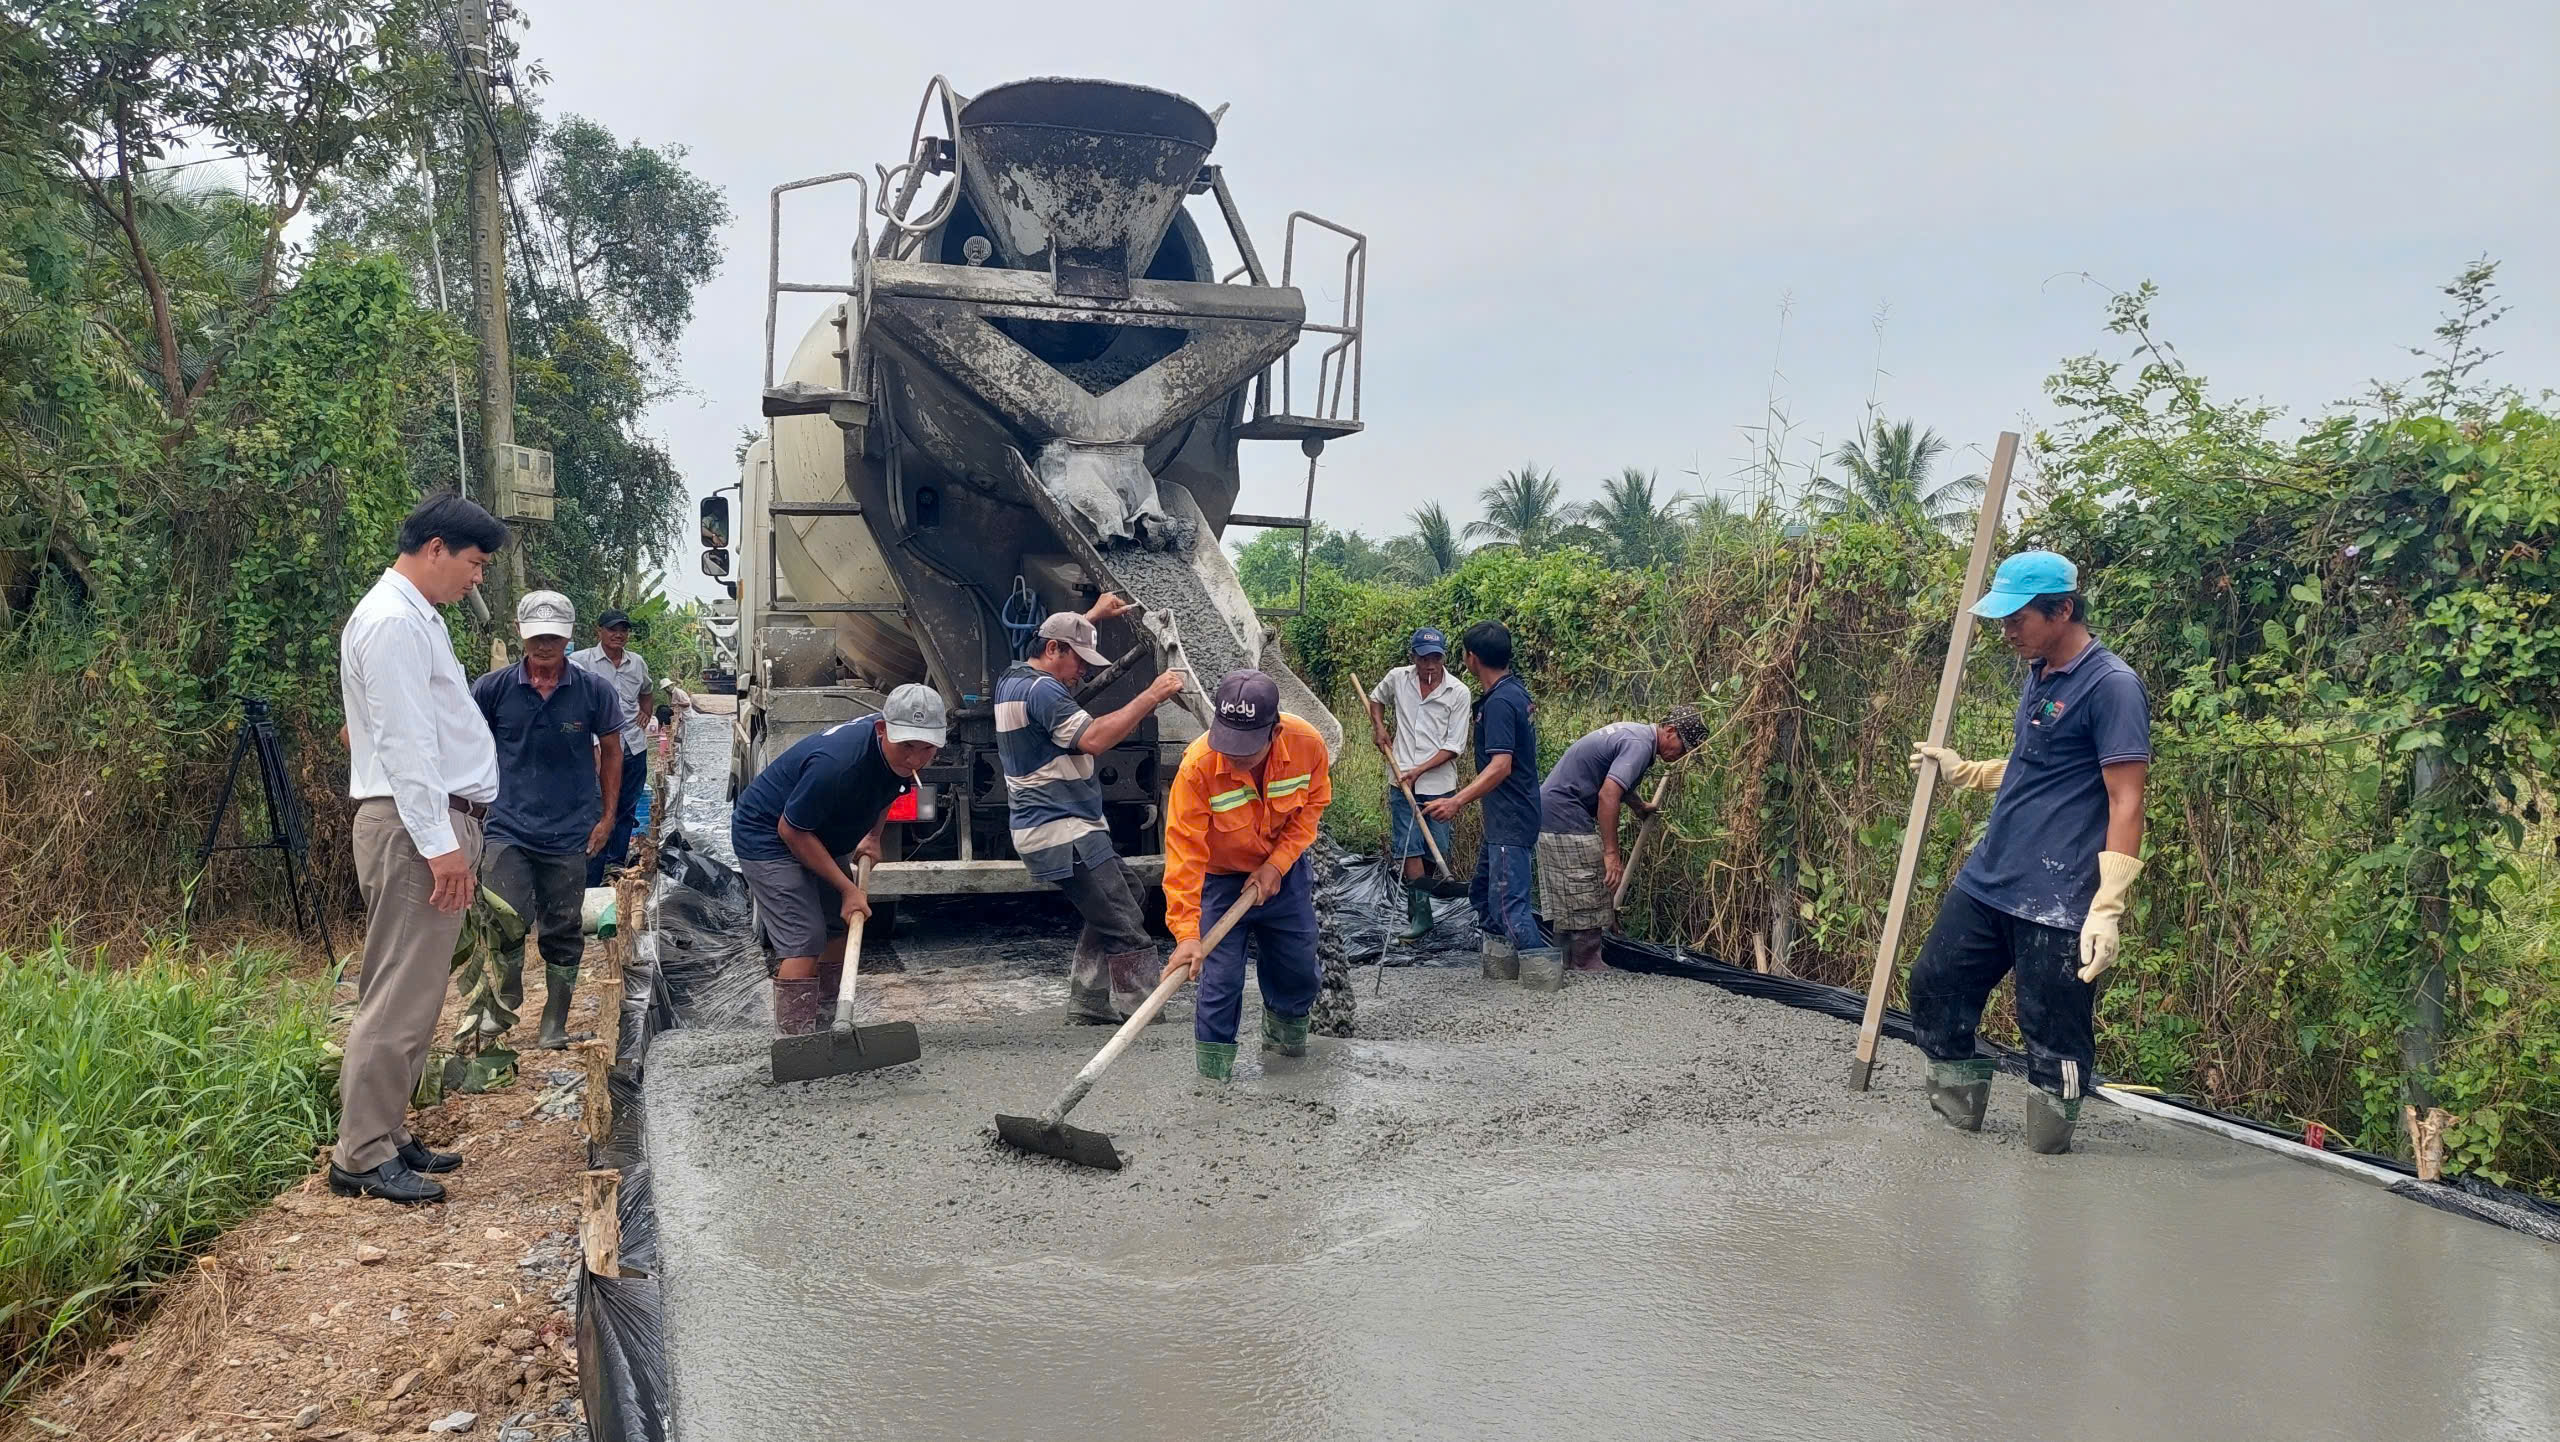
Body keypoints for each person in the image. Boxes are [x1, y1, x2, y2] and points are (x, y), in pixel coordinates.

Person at [1906, 550, 2150, 1155]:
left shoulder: (2112, 687)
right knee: (1934, 984)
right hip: (1994, 874)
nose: (2007, 630)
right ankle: (1961, 1125)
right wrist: (1967, 773)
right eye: (2003, 618)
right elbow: (2038, 763)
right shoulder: (2039, 670)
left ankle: (2049, 1152)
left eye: (2019, 618)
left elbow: (2126, 800)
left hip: (2061, 893)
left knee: (2054, 1033)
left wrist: (2108, 905)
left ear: (2063, 610)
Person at [333, 493, 509, 1204]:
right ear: (434, 548)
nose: (477, 579)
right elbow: (403, 742)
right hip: (417, 828)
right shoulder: (391, 622)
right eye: (474, 563)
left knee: (413, 988)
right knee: (399, 991)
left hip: (426, 822)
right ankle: (362, 1154)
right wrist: (440, 846)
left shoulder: (414, 618)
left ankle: (387, 1130)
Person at [995, 597, 1188, 1024]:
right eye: (1077, 658)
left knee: (1130, 893)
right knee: (1123, 919)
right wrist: (1152, 695)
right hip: (1063, 829)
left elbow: (1053, 633)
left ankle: (1088, 999)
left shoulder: (1013, 678)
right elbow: (1095, 739)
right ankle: (1142, 1013)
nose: (1083, 670)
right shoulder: (1043, 690)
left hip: (1061, 826)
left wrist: (1091, 617)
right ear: (1053, 650)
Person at [730, 685, 947, 1036]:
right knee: (804, 939)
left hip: (820, 833)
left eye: (927, 749)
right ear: (882, 730)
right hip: (769, 835)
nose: (915, 759)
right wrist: (848, 889)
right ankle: (795, 1040)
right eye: (907, 746)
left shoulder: (896, 756)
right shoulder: (838, 764)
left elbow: (887, 787)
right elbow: (792, 831)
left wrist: (873, 837)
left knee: (837, 927)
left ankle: (830, 1027)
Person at [471, 591, 625, 1050]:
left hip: (569, 828)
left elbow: (613, 750)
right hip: (506, 825)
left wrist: (608, 816)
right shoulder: (492, 689)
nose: (544, 646)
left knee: (562, 927)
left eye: (553, 638)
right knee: (505, 916)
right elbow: (467, 746)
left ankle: (553, 1022)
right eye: (537, 636)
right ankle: (509, 991)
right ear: (522, 634)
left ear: (569, 637)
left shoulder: (592, 691)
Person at [1160, 670, 1332, 1080]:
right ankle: (1214, 1078)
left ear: (1274, 732)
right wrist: (1186, 936)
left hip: (1283, 874)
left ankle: (1286, 1052)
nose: (1234, 756)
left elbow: (1311, 807)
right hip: (1220, 882)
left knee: (1298, 967)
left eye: (1247, 748)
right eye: (1229, 744)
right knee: (1219, 981)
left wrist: (1276, 864)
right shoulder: (1198, 767)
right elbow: (1184, 854)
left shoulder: (1307, 745)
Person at [1537, 706, 1706, 971]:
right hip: (1564, 810)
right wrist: (1611, 854)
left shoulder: (1637, 738)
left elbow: (1614, 781)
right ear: (1670, 731)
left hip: (1553, 809)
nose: (1682, 755)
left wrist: (1638, 806)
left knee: (1569, 893)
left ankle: (1567, 963)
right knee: (1588, 885)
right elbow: (1608, 794)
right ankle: (1586, 962)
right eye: (1684, 748)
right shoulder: (1639, 745)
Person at [1422, 621, 1544, 980]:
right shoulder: (1511, 693)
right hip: (1504, 816)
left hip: (1512, 817)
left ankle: (1544, 979)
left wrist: (1456, 801)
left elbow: (1501, 766)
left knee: (1509, 906)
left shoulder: (1502, 703)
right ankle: (1500, 972)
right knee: (1482, 893)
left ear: (1471, 658)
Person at [1363, 627, 1471, 941]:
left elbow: (1454, 746)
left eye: (1436, 658)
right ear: (1414, 657)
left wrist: (1420, 770)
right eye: (1424, 659)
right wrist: (1379, 728)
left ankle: (1418, 903)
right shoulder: (1399, 678)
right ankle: (1421, 917)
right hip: (1401, 781)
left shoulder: (1458, 693)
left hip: (1438, 786)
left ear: (1444, 657)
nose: (1430, 665)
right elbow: (1375, 698)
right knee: (1408, 846)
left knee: (1434, 850)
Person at [572, 609, 654, 885]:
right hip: (598, 748)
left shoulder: (636, 663)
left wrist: (646, 711)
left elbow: (647, 689)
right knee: (600, 807)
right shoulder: (581, 661)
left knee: (626, 807)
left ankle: (616, 865)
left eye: (623, 629)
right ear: (599, 631)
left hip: (632, 744)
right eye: (612, 629)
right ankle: (593, 865)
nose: (618, 634)